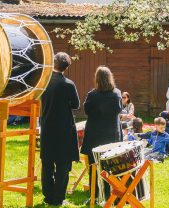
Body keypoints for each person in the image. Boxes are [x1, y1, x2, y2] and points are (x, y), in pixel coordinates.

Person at [39, 52, 80, 207]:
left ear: (53, 63)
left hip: (47, 126)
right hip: (63, 129)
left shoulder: (44, 82)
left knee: (47, 163)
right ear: (66, 67)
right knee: (63, 164)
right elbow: (76, 104)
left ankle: (48, 196)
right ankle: (58, 198)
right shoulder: (68, 84)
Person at [81, 67, 123, 168]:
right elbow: (119, 109)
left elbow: (87, 111)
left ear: (97, 79)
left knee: (94, 165)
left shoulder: (92, 95)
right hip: (112, 133)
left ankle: (94, 179)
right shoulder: (117, 93)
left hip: (95, 134)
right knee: (112, 165)